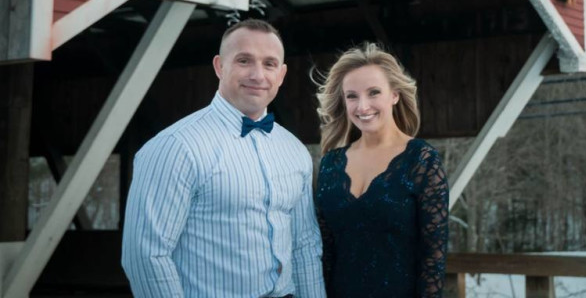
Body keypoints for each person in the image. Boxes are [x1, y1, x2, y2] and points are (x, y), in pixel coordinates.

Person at [121, 19, 325, 298]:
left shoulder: (294, 150)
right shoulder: (175, 147)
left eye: (269, 64)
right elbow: (146, 255)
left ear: (282, 74)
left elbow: (305, 245)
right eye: (244, 60)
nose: (258, 75)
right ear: (219, 66)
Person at [314, 43, 448, 297]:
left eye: (373, 92)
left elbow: (433, 257)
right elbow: (325, 252)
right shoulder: (330, 165)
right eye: (352, 96)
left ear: (394, 95)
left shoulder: (421, 160)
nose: (362, 106)